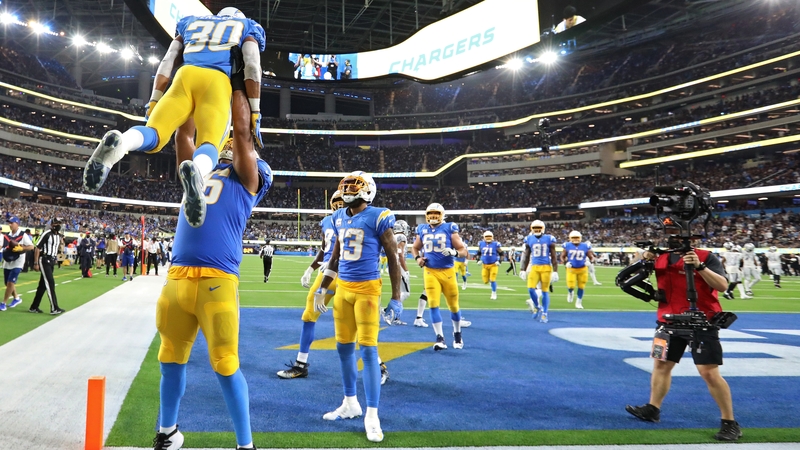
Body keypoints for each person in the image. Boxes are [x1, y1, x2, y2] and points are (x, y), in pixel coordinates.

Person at [83, 7, 266, 229]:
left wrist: (154, 98)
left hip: (184, 76)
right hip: (216, 81)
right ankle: (197, 172)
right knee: (210, 144)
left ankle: (122, 142)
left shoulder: (191, 22)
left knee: (154, 134)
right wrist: (255, 111)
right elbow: (253, 67)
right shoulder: (246, 27)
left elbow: (168, 59)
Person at [151, 119, 272, 450]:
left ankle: (246, 445)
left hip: (215, 280)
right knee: (170, 357)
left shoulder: (251, 175)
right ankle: (167, 432)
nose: (230, 143)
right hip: (178, 278)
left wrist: (231, 85)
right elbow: (183, 136)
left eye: (236, 143)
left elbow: (245, 136)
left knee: (225, 363)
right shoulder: (200, 172)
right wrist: (192, 96)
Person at [625, 233, 742, 442]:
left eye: (678, 236)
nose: (672, 240)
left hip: (702, 321)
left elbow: (722, 286)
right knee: (661, 365)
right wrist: (644, 258)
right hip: (668, 321)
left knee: (709, 372)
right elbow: (632, 274)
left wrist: (700, 267)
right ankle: (653, 408)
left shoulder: (706, 256)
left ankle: (730, 422)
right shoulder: (660, 256)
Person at [313, 171, 400, 443]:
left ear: (368, 190)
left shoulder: (378, 215)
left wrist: (397, 297)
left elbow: (393, 257)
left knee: (369, 349)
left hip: (367, 291)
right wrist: (323, 287)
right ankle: (350, 402)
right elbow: (335, 259)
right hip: (344, 290)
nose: (349, 190)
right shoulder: (338, 217)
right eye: (346, 186)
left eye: (355, 186)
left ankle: (372, 413)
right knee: (343, 347)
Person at [411, 203, 469, 350]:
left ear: (442, 214)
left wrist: (454, 252)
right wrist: (418, 258)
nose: (433, 216)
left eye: (436, 213)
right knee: (433, 304)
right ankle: (440, 338)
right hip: (430, 271)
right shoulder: (422, 229)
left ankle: (457, 333)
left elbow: (463, 250)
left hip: (448, 272)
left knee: (454, 306)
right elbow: (415, 247)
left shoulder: (449, 228)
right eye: (430, 213)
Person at [519, 220, 558, 323]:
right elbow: (526, 256)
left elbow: (554, 256)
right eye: (535, 228)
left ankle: (545, 313)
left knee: (545, 291)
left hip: (546, 267)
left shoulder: (549, 238)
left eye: (539, 228)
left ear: (543, 229)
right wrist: (522, 269)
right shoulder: (529, 239)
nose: (537, 230)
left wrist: (555, 271)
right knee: (531, 289)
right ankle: (537, 306)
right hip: (534, 267)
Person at [29, 217, 65, 314]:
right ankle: (54, 307)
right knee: (50, 283)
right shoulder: (46, 234)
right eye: (56, 223)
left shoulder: (58, 236)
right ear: (52, 224)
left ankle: (34, 306)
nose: (58, 225)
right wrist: (36, 263)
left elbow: (55, 248)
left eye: (59, 223)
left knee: (43, 285)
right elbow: (37, 248)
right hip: (44, 259)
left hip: (52, 260)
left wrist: (56, 258)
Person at [0, 217, 33, 311]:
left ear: (17, 223)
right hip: (7, 261)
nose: (10, 225)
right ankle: (17, 298)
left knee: (11, 282)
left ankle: (3, 303)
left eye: (11, 223)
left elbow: (31, 246)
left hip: (18, 262)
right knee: (7, 283)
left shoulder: (23, 235)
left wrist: (22, 249)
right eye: (9, 223)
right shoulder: (6, 235)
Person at [561, 230, 596, 309]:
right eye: (574, 238)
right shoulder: (567, 245)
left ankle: (579, 302)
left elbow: (591, 257)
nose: (576, 239)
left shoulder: (585, 246)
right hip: (571, 269)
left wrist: (590, 262)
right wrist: (565, 263)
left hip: (582, 269)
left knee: (581, 286)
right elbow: (562, 256)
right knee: (571, 285)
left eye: (577, 237)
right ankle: (570, 293)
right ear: (570, 238)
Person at [478, 231, 502, 300]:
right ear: (484, 237)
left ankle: (494, 293)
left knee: (492, 279)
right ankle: (491, 282)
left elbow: (502, 253)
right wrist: (478, 260)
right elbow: (479, 253)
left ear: (492, 237)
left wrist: (499, 261)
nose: (488, 238)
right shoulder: (481, 244)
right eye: (487, 237)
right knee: (485, 281)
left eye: (489, 237)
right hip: (485, 265)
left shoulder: (495, 244)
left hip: (493, 265)